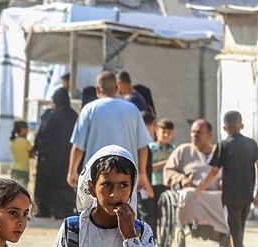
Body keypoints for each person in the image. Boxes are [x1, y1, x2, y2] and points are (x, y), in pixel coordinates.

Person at [194, 111, 258, 247]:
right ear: (242, 126)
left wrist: (200, 188)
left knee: (234, 233)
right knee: (238, 232)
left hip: (231, 197)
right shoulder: (251, 144)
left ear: (224, 128)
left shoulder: (222, 146)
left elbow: (214, 170)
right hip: (247, 195)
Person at [67, 71, 153, 206]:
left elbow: (78, 146)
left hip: (96, 177)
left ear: (97, 89)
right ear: (117, 88)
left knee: (93, 218)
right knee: (125, 218)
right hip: (126, 176)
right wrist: (142, 172)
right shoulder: (133, 110)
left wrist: (72, 171)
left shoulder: (89, 109)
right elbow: (142, 145)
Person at [163, 119, 228, 243]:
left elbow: (228, 172)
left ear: (210, 135)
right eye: (192, 132)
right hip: (193, 190)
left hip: (216, 192)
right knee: (189, 195)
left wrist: (224, 181)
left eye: (199, 132)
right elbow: (168, 170)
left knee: (228, 198)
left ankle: (220, 232)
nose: (194, 135)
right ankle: (200, 225)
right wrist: (181, 179)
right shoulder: (183, 150)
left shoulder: (218, 152)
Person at [33, 87, 78, 219]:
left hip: (50, 159)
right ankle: (63, 210)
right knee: (65, 185)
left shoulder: (52, 116)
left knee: (48, 185)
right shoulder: (74, 116)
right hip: (68, 159)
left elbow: (42, 135)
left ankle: (45, 210)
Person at [147, 118, 176, 228]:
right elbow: (149, 168)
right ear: (156, 131)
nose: (166, 135)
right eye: (163, 132)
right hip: (154, 184)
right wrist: (166, 163)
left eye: (169, 133)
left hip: (168, 185)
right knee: (153, 214)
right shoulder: (150, 148)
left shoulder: (173, 150)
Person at [9, 120, 34, 186]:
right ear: (22, 129)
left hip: (14, 169)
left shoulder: (12, 142)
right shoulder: (25, 142)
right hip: (23, 170)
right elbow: (32, 154)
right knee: (23, 191)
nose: (28, 131)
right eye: (26, 129)